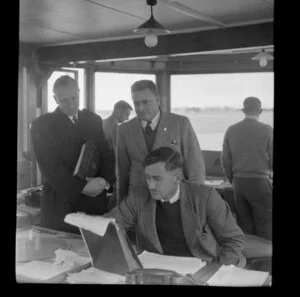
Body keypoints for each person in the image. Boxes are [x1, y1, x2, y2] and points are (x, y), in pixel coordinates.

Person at [107, 147, 245, 267]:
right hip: (156, 270)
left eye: (157, 178)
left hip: (201, 268)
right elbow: (108, 225)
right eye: (147, 177)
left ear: (177, 177)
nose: (150, 185)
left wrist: (217, 270)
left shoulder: (205, 196)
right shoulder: (139, 196)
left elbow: (233, 239)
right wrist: (88, 222)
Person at [30, 75, 115, 233]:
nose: (71, 104)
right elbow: (49, 168)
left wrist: (105, 181)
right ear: (56, 99)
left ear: (79, 92)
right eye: (65, 100)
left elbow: (106, 155)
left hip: (93, 202)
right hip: (61, 204)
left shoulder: (93, 120)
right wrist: (81, 187)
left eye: (74, 98)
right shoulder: (42, 125)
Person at [116, 79, 206, 203]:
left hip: (175, 200)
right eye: (136, 104)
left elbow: (195, 168)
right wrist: (121, 204)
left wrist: (196, 203)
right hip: (138, 202)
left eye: (145, 102)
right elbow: (122, 173)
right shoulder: (124, 130)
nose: (140, 108)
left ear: (157, 100)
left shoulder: (180, 124)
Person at [221, 97, 273, 240]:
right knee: (266, 223)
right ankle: (264, 259)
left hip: (239, 183)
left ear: (244, 110)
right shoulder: (267, 130)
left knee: (244, 224)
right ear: (260, 111)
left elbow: (225, 159)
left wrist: (233, 180)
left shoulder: (231, 130)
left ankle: (247, 259)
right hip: (260, 182)